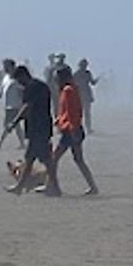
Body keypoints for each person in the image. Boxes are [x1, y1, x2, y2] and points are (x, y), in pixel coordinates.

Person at [48, 64, 99, 196]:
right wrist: (59, 120)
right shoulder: (69, 89)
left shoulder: (68, 90)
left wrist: (72, 130)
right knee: (78, 160)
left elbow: (73, 112)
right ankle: (93, 187)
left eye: (56, 78)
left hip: (71, 131)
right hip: (72, 129)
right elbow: (66, 111)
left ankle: (53, 187)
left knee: (53, 159)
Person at [7, 64, 55, 194]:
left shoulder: (31, 88)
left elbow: (26, 107)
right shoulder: (41, 86)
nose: (19, 84)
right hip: (44, 126)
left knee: (36, 158)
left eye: (18, 80)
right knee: (37, 158)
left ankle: (52, 186)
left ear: (23, 76)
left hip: (37, 128)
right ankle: (50, 186)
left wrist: (14, 122)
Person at [0, 57, 24, 145]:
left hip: (15, 105)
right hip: (8, 105)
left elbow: (22, 91)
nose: (4, 68)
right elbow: (2, 91)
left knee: (8, 124)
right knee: (15, 125)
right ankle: (22, 143)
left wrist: (23, 103)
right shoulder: (6, 78)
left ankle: (0, 142)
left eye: (6, 66)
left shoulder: (17, 78)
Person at [74, 59, 97, 134]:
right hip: (82, 94)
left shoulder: (78, 73)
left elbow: (92, 83)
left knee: (84, 113)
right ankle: (86, 128)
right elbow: (93, 83)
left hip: (82, 94)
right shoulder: (85, 73)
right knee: (84, 113)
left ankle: (86, 128)